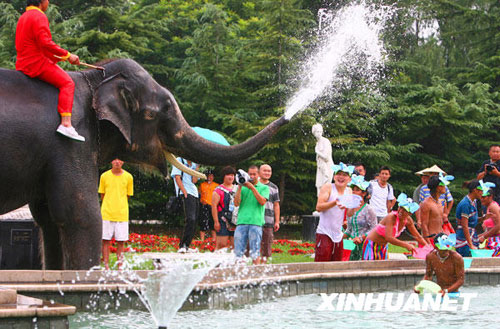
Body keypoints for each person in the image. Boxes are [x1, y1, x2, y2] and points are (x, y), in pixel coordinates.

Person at [15, 0, 85, 142]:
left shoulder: (23, 17)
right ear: (42, 1)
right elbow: (45, 43)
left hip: (22, 63)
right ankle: (66, 123)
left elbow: (37, 45)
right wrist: (68, 55)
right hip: (36, 63)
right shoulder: (39, 16)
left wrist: (62, 59)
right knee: (68, 83)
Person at [362, 194, 427, 260]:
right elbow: (389, 238)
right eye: (400, 207)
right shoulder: (391, 217)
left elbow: (417, 236)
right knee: (369, 267)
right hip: (371, 245)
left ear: (410, 213)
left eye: (405, 210)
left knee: (383, 268)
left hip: (383, 247)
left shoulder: (408, 220)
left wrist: (428, 248)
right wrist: (406, 245)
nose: (401, 211)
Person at [98, 158, 133, 270]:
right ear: (111, 161)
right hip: (107, 213)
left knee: (121, 241)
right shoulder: (104, 176)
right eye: (115, 160)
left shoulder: (128, 177)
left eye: (120, 160)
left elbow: (128, 195)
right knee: (105, 240)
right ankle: (106, 266)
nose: (117, 162)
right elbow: (102, 195)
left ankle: (120, 266)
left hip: (122, 214)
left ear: (123, 162)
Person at [315, 162, 354, 262]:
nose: (341, 177)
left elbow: (349, 214)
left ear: (349, 179)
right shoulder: (328, 187)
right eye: (338, 174)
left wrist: (352, 207)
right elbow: (319, 207)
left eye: (344, 175)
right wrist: (335, 202)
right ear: (334, 177)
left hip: (338, 234)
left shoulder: (349, 191)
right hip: (324, 232)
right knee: (322, 264)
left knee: (337, 264)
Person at [234, 165, 269, 264]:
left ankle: (256, 273)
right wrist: (240, 186)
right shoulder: (243, 187)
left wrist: (252, 188)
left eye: (254, 174)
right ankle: (239, 272)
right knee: (238, 251)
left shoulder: (264, 188)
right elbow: (236, 203)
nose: (252, 176)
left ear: (258, 175)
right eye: (250, 174)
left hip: (255, 222)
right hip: (241, 222)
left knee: (255, 251)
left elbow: (262, 201)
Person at [344, 175, 377, 260]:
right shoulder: (350, 208)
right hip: (351, 243)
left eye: (357, 190)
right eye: (353, 190)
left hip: (364, 244)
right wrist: (339, 239)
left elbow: (374, 229)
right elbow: (349, 229)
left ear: (364, 193)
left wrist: (361, 238)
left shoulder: (368, 209)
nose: (354, 192)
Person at [172, 158, 200, 253]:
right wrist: (184, 192)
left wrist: (197, 167)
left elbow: (194, 180)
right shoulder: (179, 160)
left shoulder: (194, 163)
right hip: (186, 192)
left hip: (194, 193)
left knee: (195, 220)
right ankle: (182, 245)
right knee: (190, 219)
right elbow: (177, 177)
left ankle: (187, 245)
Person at [419, 174, 454, 244]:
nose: (445, 187)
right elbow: (424, 225)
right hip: (431, 239)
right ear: (438, 187)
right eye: (443, 185)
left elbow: (443, 220)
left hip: (441, 238)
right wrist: (428, 243)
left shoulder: (442, 202)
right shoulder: (426, 204)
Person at [259, 164, 280, 263]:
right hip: (255, 220)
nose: (267, 173)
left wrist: (277, 221)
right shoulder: (254, 185)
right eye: (265, 171)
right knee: (253, 245)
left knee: (267, 245)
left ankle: (263, 266)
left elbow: (276, 205)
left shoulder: (274, 187)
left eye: (269, 171)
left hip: (268, 220)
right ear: (259, 172)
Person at [455, 180, 483, 257]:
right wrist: (470, 245)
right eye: (481, 190)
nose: (482, 193)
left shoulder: (474, 202)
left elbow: (472, 220)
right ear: (475, 190)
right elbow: (465, 225)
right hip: (464, 238)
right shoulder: (465, 204)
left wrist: (483, 218)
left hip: (472, 235)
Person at [212, 166, 237, 250]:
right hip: (222, 219)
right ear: (224, 176)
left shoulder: (237, 189)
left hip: (235, 219)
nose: (231, 177)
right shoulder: (218, 190)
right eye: (228, 175)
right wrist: (216, 221)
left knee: (236, 246)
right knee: (221, 244)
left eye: (232, 175)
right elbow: (214, 206)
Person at [477, 181, 500, 251]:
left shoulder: (493, 207)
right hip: (491, 238)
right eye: (481, 197)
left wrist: (484, 237)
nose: (482, 199)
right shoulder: (488, 207)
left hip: (496, 240)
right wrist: (479, 236)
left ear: (491, 196)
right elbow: (490, 229)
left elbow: (498, 225)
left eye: (484, 197)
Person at [312, 123, 334, 196]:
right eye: (317, 132)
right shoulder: (317, 143)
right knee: (319, 189)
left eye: (320, 131)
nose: (319, 133)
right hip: (321, 167)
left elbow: (326, 157)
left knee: (325, 190)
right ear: (314, 133)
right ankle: (320, 206)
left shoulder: (325, 141)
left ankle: (325, 206)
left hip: (327, 168)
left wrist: (317, 151)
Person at [198, 170, 218, 241]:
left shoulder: (216, 186)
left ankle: (214, 240)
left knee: (213, 224)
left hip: (213, 206)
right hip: (204, 206)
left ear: (213, 177)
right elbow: (199, 195)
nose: (210, 177)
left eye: (211, 176)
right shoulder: (202, 185)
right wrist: (201, 201)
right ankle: (202, 240)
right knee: (203, 223)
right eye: (208, 176)